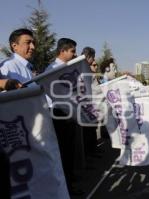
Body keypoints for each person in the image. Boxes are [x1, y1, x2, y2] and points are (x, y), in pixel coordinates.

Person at [46, 38, 84, 195]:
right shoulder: (52, 70)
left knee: (70, 150)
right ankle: (66, 186)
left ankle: (70, 179)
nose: (75, 54)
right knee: (64, 151)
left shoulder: (68, 68)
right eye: (72, 51)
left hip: (70, 112)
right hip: (58, 114)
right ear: (62, 51)